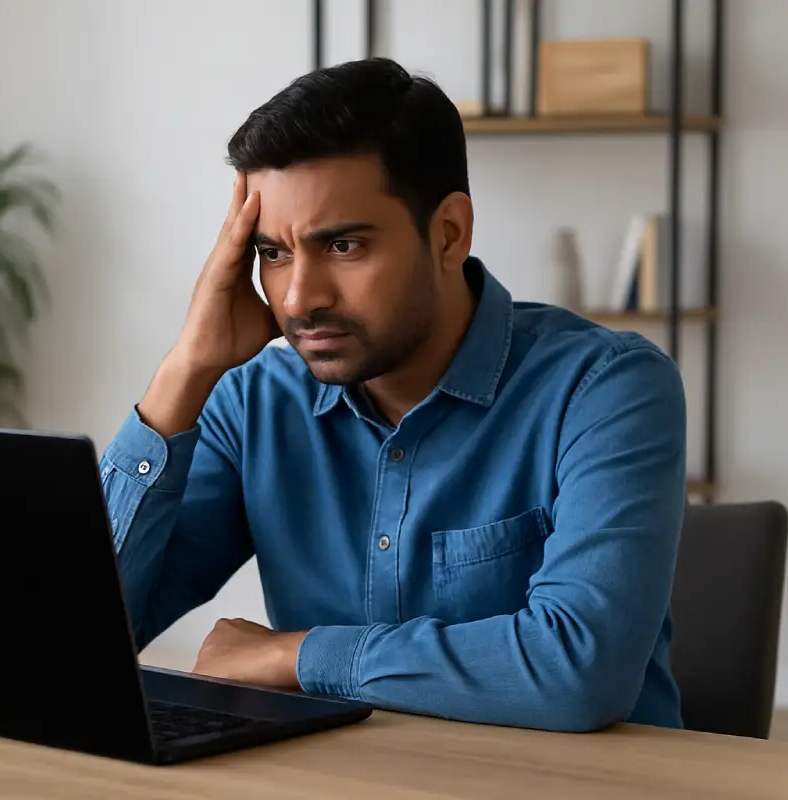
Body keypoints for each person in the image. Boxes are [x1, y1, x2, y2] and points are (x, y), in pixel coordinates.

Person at [98, 57, 687, 733]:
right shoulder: (253, 405)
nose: (298, 298)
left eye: (342, 245)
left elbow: (580, 672)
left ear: (448, 233)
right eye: (272, 253)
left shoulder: (606, 389)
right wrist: (186, 370)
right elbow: (80, 645)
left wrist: (299, 656)